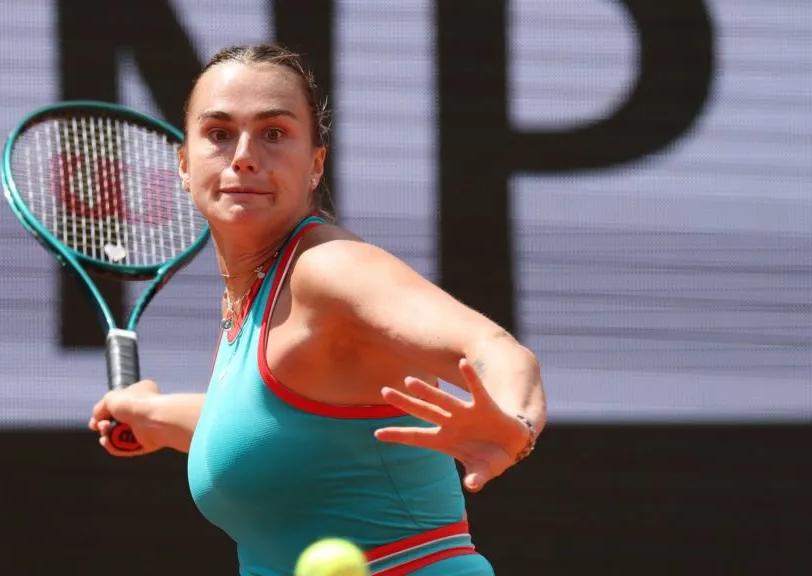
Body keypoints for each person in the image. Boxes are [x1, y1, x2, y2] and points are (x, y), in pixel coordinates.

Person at [88, 43, 547, 576]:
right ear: (185, 166)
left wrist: (514, 423)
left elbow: (494, 349)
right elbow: (272, 432)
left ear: (315, 164)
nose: (244, 155)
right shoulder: (253, 293)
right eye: (218, 133)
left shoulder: (329, 270)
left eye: (274, 133)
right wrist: (152, 415)